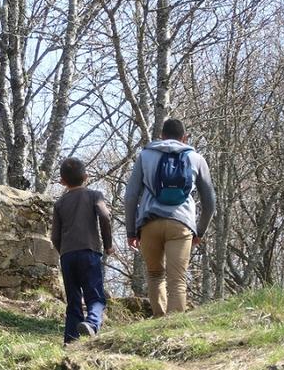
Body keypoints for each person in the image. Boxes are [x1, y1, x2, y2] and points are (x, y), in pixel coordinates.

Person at [124, 119, 216, 317]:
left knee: (155, 275)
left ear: (162, 136)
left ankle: (159, 321)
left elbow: (131, 196)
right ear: (185, 138)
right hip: (181, 224)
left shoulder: (146, 155)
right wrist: (199, 231)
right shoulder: (196, 158)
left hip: (149, 223)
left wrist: (131, 231)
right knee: (178, 280)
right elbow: (210, 203)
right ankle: (174, 328)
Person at [51, 157, 114, 344]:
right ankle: (93, 323)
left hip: (68, 255)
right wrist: (108, 244)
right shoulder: (95, 195)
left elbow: (55, 236)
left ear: (62, 181)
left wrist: (63, 251)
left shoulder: (59, 203)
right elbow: (104, 216)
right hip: (89, 251)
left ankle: (70, 341)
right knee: (96, 297)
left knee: (73, 300)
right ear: (86, 177)